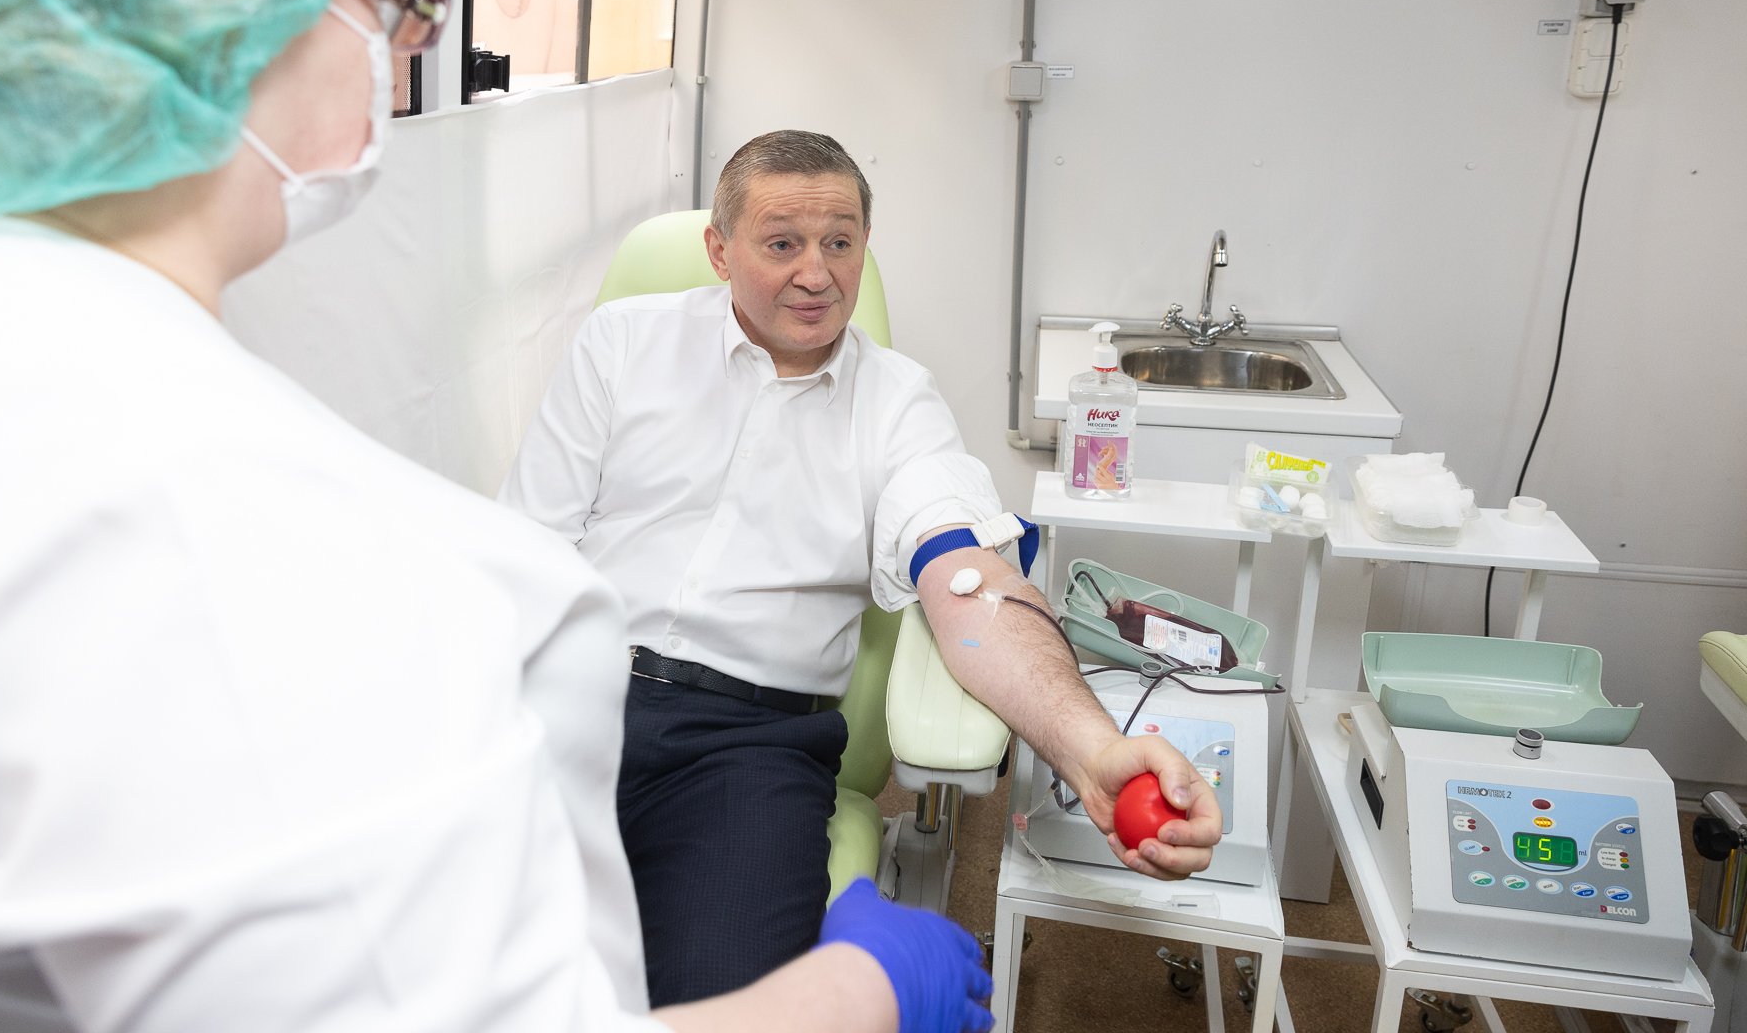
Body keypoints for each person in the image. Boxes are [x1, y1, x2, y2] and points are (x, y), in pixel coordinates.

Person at [0, 0, 992, 1031]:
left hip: (749, 742)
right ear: (233, 7)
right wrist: (862, 987)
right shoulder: (228, 555)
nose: (400, 66)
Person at [500, 129, 1227, 1006]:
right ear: (720, 251)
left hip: (740, 751)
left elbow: (971, 584)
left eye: (839, 242)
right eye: (782, 244)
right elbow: (528, 549)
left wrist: (1093, 749)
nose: (817, 273)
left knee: (723, 1005)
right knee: (448, 955)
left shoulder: (896, 403)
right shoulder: (623, 343)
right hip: (568, 697)